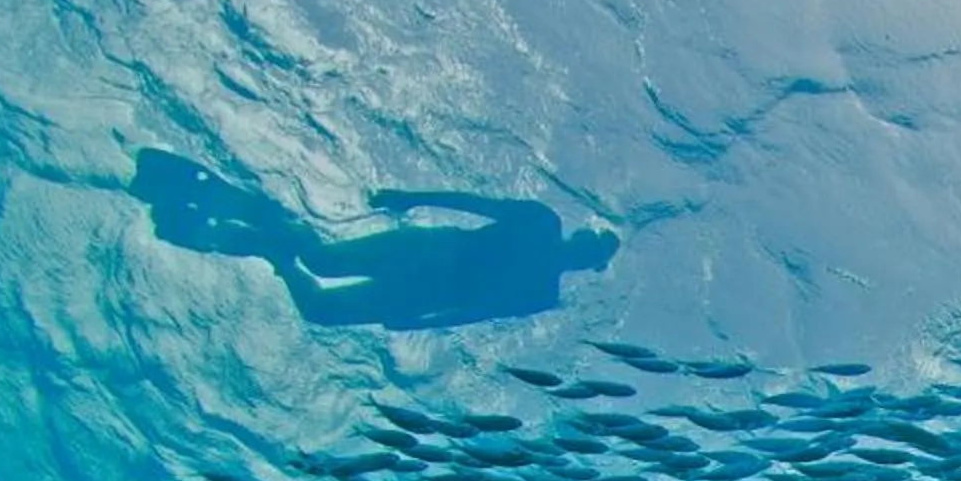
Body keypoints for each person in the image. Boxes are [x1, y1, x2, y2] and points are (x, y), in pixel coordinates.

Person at [129, 149, 618, 329]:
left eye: (594, 254)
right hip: (425, 251)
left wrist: (425, 323)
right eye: (592, 243)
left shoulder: (541, 296)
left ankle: (271, 249)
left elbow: (478, 314)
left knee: (320, 310)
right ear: (582, 235)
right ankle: (262, 215)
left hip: (423, 294)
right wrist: (409, 196)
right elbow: (474, 203)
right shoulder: (541, 221)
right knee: (320, 258)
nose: (584, 252)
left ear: (590, 265)